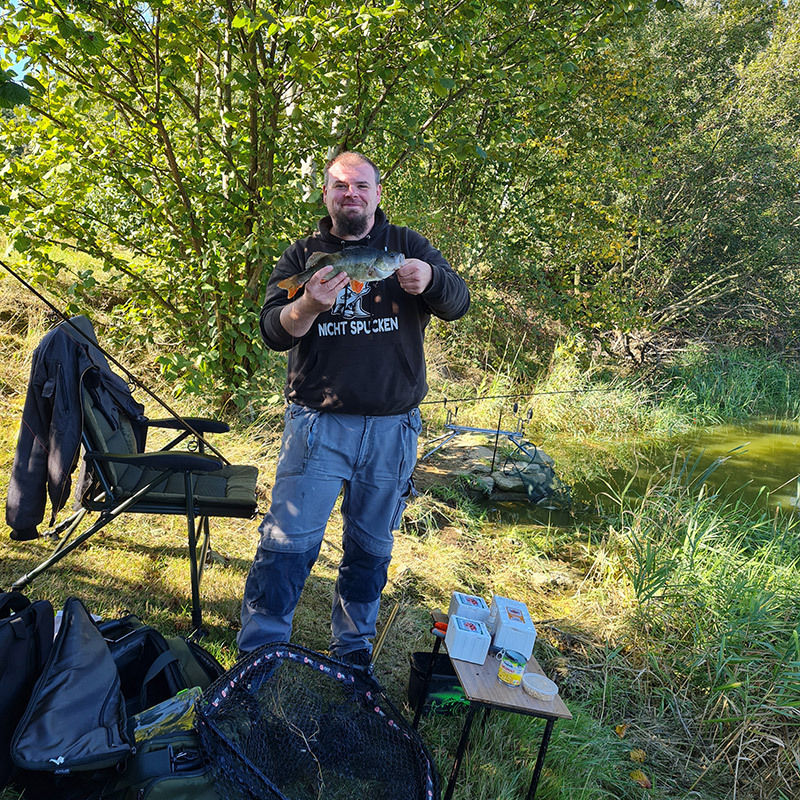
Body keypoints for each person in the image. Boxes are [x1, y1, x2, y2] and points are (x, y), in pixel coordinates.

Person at [238, 151, 470, 666]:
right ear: (325, 194)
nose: (352, 194)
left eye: (361, 185)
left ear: (377, 193)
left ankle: (352, 652)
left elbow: (458, 302)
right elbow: (273, 330)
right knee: (287, 544)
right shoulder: (304, 254)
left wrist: (431, 280)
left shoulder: (406, 246)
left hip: (392, 430)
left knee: (370, 548)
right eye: (340, 186)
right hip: (317, 425)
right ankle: (261, 654)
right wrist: (307, 305)